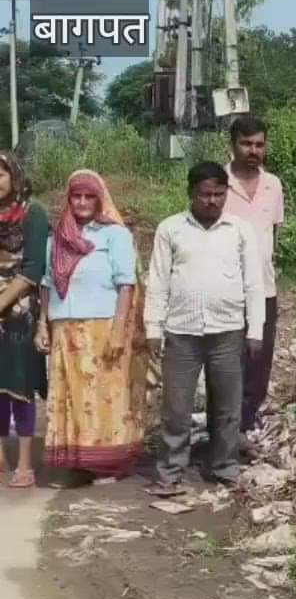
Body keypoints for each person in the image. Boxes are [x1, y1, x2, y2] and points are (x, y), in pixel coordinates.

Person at [144, 162, 265, 496]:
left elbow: (254, 284)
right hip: (181, 331)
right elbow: (157, 282)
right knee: (176, 408)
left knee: (227, 407)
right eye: (205, 194)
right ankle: (170, 473)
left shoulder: (239, 230)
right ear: (190, 194)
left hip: (227, 331)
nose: (212, 201)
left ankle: (225, 468)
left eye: (218, 194)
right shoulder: (171, 229)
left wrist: (255, 329)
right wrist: (153, 327)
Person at [37, 170, 149, 488]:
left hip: (102, 326)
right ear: (68, 199)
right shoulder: (55, 239)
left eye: (89, 197)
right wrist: (42, 324)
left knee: (104, 397)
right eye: (77, 196)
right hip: (65, 329)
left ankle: (110, 463)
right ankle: (78, 464)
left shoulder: (114, 235)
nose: (83, 203)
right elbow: (47, 284)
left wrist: (118, 330)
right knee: (70, 397)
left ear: (99, 200)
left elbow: (126, 284)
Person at [221, 114, 285, 445]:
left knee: (259, 366)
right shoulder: (218, 184)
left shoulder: (274, 185)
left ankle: (244, 427)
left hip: (264, 289)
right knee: (227, 363)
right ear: (233, 145)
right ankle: (224, 434)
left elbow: (273, 232)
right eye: (246, 144)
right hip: (225, 290)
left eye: (259, 144)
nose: (253, 150)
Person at [0, 151, 48, 489]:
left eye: (0, 174)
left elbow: (33, 268)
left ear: (14, 177)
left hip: (20, 310)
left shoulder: (33, 213)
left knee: (20, 385)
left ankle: (26, 462)